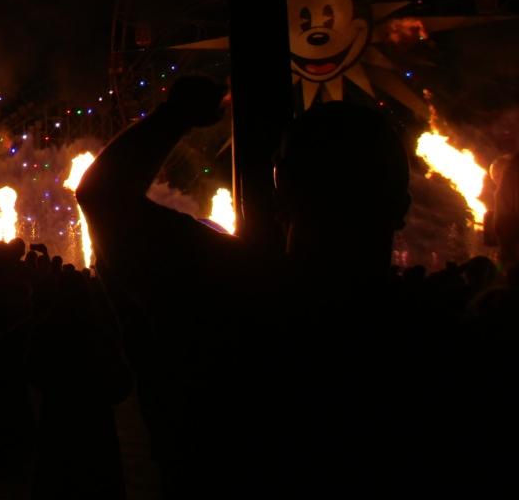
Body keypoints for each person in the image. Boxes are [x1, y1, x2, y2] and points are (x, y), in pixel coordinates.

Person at [76, 77, 434, 495]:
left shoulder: (232, 287)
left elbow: (103, 196)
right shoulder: (437, 334)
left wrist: (177, 114)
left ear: (283, 191)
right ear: (401, 207)